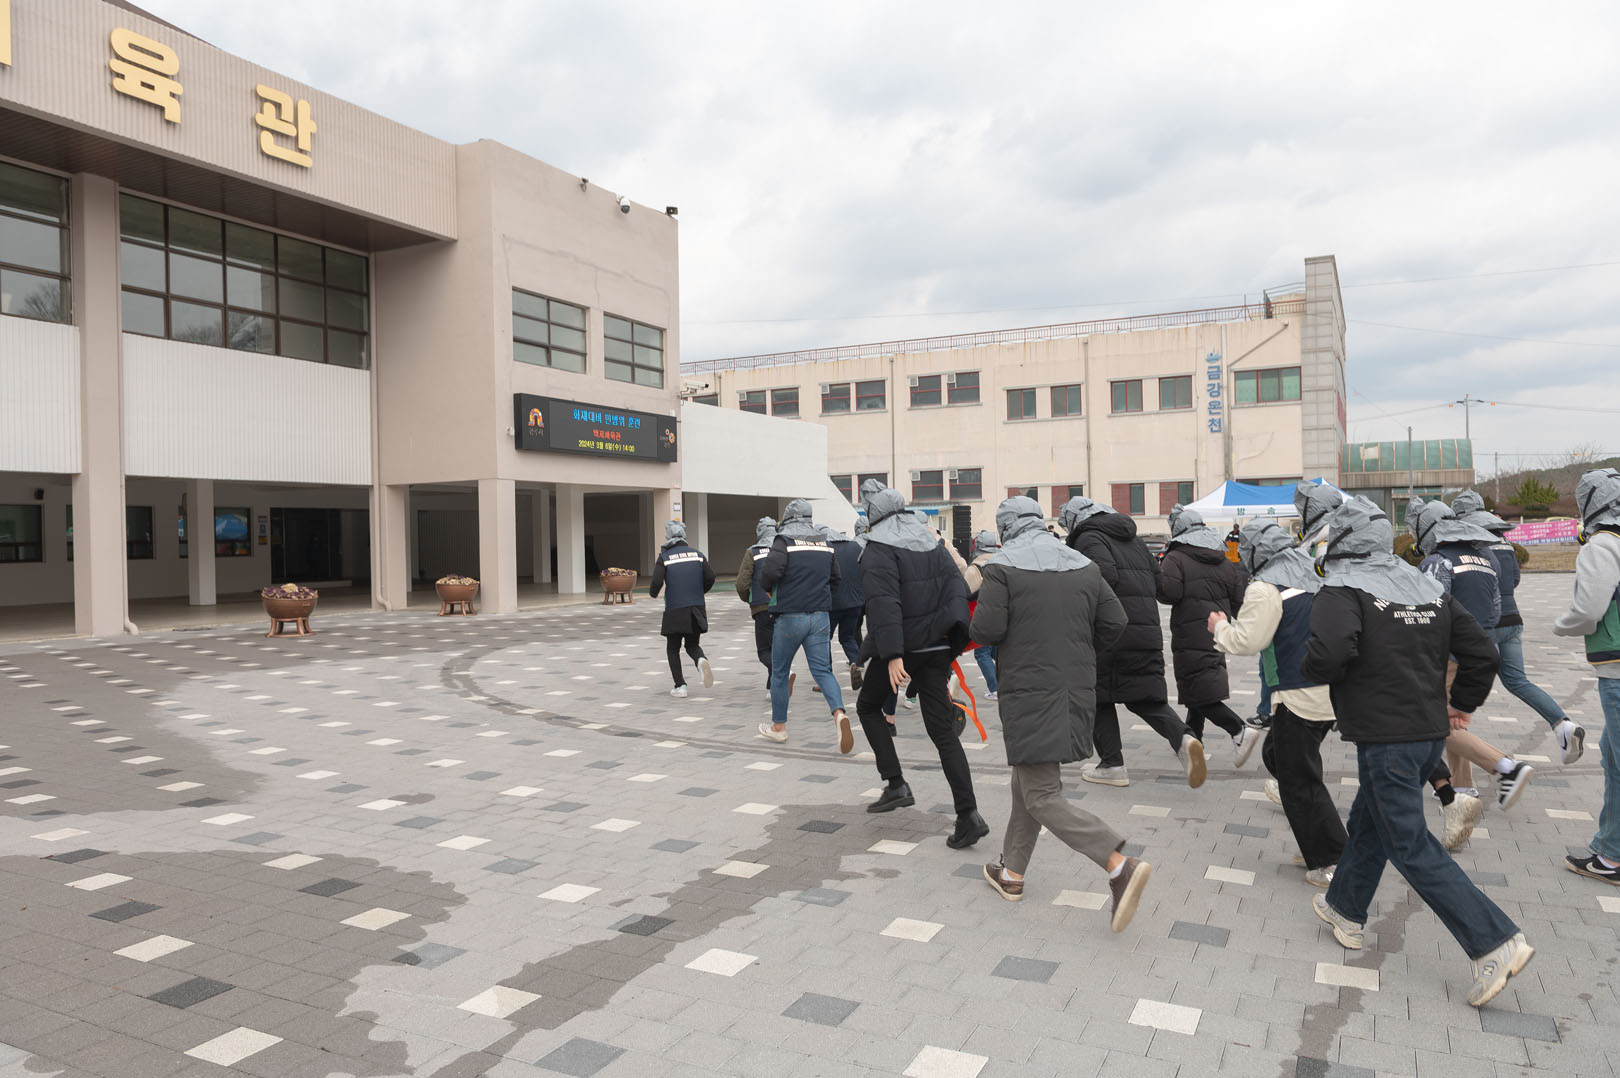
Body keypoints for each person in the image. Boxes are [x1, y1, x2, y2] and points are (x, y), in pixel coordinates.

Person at [1303, 496, 1532, 1009]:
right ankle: (1345, 907)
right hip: (1427, 735)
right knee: (1371, 819)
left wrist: (1314, 668)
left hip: (1386, 739)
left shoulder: (1342, 589)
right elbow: (1483, 652)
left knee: (1409, 845)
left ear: (1339, 541)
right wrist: (1461, 704)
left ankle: (1494, 942)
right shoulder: (1426, 587)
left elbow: (1329, 653)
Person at [971, 497, 1151, 931]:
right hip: (1075, 687)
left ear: (1006, 528)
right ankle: (1012, 873)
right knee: (1029, 780)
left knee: (1041, 794)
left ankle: (1117, 863)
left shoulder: (1002, 567)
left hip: (1029, 690)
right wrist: (1079, 654)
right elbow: (1115, 620)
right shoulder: (1082, 565)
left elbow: (987, 630)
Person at [851, 480, 987, 849]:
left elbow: (883, 604)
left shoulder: (878, 548)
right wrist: (950, 646)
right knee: (943, 733)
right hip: (937, 647)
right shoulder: (932, 542)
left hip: (905, 648)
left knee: (867, 706)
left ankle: (896, 784)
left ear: (873, 515)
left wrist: (893, 654)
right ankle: (969, 814)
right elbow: (957, 591)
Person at [1210, 521, 1344, 886]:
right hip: (1329, 690)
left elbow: (1248, 640)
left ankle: (1333, 859)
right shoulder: (1315, 574)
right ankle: (1319, 839)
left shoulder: (1265, 587)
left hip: (1299, 694)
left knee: (1298, 782)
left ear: (1256, 552)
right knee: (1280, 758)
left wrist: (1219, 627)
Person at [1060, 497, 1206, 788]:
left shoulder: (1089, 538)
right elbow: (1160, 584)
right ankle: (1184, 738)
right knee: (1145, 699)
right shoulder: (1134, 541)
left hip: (1110, 633)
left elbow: (1103, 577)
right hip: (1146, 632)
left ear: (1075, 520)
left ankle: (1112, 764)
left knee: (1097, 696)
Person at [1410, 498, 1535, 809]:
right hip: (1480, 650)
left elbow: (1431, 613)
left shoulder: (1437, 562)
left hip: (1449, 654)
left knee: (1431, 722)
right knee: (1453, 720)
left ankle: (1506, 766)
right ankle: (1463, 787)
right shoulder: (1485, 559)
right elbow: (1494, 612)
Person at [1452, 489, 1586, 764]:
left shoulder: (1469, 540)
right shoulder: (1504, 540)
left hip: (1482, 624)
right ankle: (1562, 724)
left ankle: (1468, 770)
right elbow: (1513, 579)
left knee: (1456, 690)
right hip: (1513, 620)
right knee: (1517, 680)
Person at [1554, 467, 1620, 884]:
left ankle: (1613, 859)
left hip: (1617, 669)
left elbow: (1588, 610)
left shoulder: (1603, 545)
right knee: (1611, 755)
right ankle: (1609, 845)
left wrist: (1560, 626)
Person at [1157, 504, 1259, 766]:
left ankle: (1238, 729)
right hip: (1218, 631)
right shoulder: (1223, 561)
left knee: (1197, 690)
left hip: (1190, 634)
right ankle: (1194, 742)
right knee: (1199, 686)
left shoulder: (1176, 558)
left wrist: (1158, 576)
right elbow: (1238, 601)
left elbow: (1169, 594)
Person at [756, 499, 851, 751]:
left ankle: (779, 728)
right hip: (820, 616)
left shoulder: (783, 541)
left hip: (790, 616)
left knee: (780, 671)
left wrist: (769, 590)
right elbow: (836, 578)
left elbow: (769, 573)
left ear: (788, 517)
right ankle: (839, 714)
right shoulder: (824, 542)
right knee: (823, 671)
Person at [649, 521, 715, 699]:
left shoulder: (665, 557)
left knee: (673, 648)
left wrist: (653, 593)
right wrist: (700, 591)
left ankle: (681, 686)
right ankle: (701, 660)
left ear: (668, 536)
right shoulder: (697, 555)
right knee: (692, 645)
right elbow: (711, 576)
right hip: (696, 608)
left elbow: (656, 582)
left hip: (675, 609)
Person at [734, 517, 790, 699]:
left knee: (764, 651)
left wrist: (750, 599)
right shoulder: (786, 549)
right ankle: (772, 688)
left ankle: (784, 672)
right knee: (778, 648)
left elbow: (742, 583)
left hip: (762, 607)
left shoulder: (753, 551)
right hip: (784, 606)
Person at [823, 521, 866, 692]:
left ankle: (826, 676)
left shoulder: (827, 549)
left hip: (834, 603)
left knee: (824, 638)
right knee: (847, 637)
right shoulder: (855, 546)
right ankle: (856, 663)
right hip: (855, 602)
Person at [967, 529, 1001, 701]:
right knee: (996, 652)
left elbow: (965, 592)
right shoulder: (1002, 563)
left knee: (982, 653)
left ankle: (995, 689)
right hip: (1001, 615)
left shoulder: (975, 568)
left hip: (982, 616)